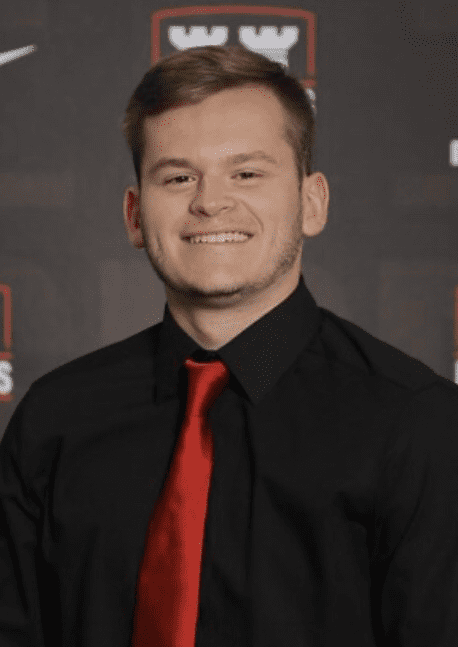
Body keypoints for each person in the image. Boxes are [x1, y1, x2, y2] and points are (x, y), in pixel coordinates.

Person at [1, 44, 458, 647]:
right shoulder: (54, 421)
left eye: (246, 173)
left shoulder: (417, 425)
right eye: (179, 176)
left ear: (312, 203)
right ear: (135, 215)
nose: (209, 200)